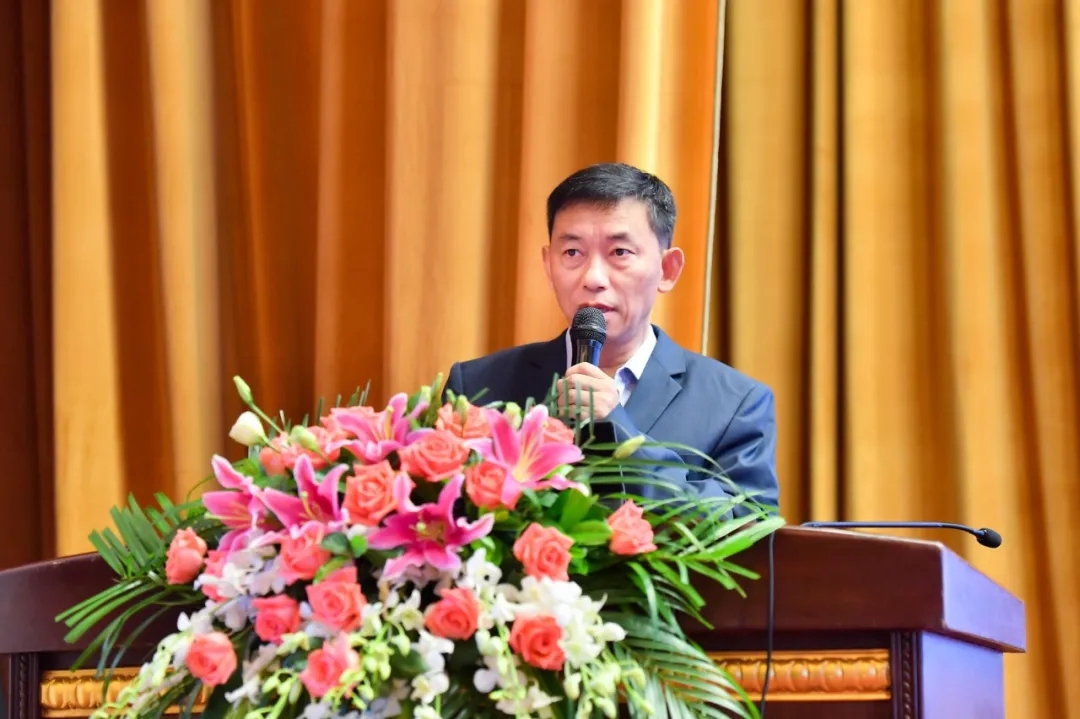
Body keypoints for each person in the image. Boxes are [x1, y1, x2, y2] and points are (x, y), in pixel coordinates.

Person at [444, 163, 779, 514]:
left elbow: (749, 528)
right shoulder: (477, 387)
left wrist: (618, 430)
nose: (593, 278)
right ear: (548, 264)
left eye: (619, 252)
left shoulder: (735, 405)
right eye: (572, 253)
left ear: (667, 270)